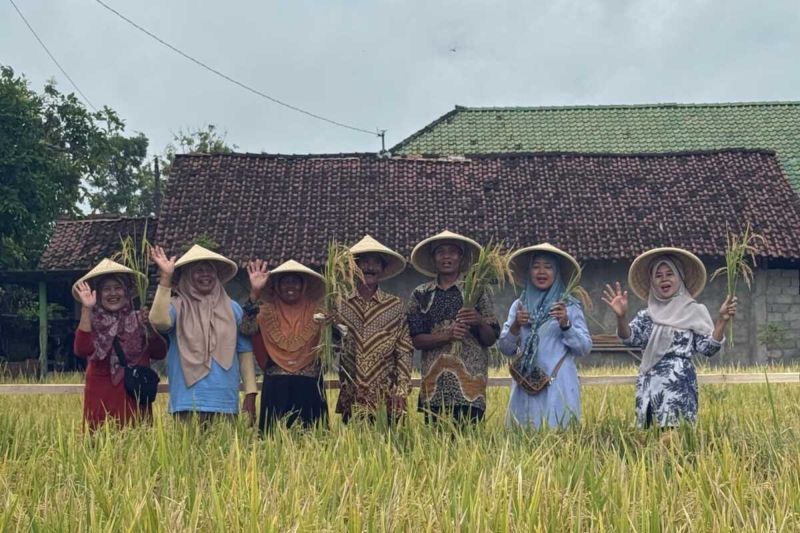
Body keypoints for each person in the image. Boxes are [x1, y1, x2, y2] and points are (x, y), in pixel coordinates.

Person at [602, 247, 738, 428]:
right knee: (650, 442)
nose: (664, 279)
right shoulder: (647, 315)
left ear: (680, 278)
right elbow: (630, 338)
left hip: (679, 386)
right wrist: (621, 317)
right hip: (650, 388)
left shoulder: (694, 312)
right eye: (658, 275)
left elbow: (708, 348)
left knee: (677, 442)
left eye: (669, 274)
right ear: (652, 282)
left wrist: (721, 321)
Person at [149, 245, 257, 423]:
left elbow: (244, 351)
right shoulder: (177, 306)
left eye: (210, 270)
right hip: (186, 402)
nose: (205, 275)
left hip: (226, 402)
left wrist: (250, 394)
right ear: (186, 276)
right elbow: (159, 321)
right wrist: (166, 278)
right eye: (198, 270)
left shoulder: (233, 309)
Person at [407, 230, 499, 425]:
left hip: (470, 389)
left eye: (452, 251)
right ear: (433, 258)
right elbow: (415, 339)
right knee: (436, 448)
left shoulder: (476, 291)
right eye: (440, 252)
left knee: (470, 447)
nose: (446, 256)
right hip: (434, 387)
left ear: (461, 257)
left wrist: (479, 320)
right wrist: (447, 336)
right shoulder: (421, 294)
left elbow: (491, 339)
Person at [498, 244, 592, 429]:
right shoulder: (519, 306)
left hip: (559, 386)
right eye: (536, 266)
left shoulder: (569, 306)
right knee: (524, 440)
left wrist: (566, 324)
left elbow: (584, 348)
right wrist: (516, 326)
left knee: (560, 441)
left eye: (548, 267)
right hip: (526, 385)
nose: (541, 272)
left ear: (556, 273)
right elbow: (505, 348)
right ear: (529, 272)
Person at [72, 259, 166, 430]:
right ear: (98, 294)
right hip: (101, 397)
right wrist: (87, 309)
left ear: (127, 291)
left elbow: (160, 352)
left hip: (134, 395)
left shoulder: (140, 319)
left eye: (118, 288)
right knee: (100, 447)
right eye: (106, 289)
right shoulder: (92, 322)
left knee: (138, 447)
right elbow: (82, 349)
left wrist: (149, 327)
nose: (112, 293)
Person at [241, 259, 328, 431]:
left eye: (295, 282)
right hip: (276, 387)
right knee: (274, 442)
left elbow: (337, 342)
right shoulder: (264, 312)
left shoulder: (320, 313)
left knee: (315, 442)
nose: (291, 287)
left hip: (310, 387)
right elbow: (246, 329)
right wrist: (254, 294)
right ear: (277, 287)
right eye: (285, 282)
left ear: (303, 286)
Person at [334, 235, 413, 424]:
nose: (369, 268)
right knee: (352, 449)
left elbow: (404, 349)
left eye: (375, 263)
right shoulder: (339, 305)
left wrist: (401, 390)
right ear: (354, 269)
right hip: (352, 393)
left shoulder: (394, 306)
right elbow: (331, 345)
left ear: (382, 269)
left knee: (389, 450)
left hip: (386, 394)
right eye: (363, 263)